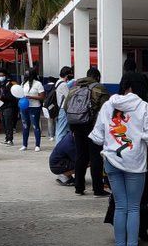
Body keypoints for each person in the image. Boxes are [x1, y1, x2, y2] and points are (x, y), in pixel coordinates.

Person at [89, 71, 148, 246]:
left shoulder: (108, 105)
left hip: (111, 162)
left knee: (120, 207)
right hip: (135, 164)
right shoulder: (144, 108)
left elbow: (96, 137)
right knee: (134, 208)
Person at [64, 67, 110, 197]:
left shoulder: (74, 88)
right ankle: (97, 189)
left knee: (81, 156)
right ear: (97, 78)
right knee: (95, 157)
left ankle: (79, 188)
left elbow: (66, 107)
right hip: (92, 126)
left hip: (76, 125)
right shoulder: (99, 88)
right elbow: (106, 109)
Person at [105, 148, 148, 241]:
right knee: (129, 210)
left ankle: (141, 230)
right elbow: (125, 204)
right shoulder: (124, 172)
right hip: (124, 208)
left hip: (137, 206)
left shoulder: (147, 173)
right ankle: (127, 233)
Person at [20, 67, 45, 152]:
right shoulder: (23, 83)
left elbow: (42, 96)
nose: (26, 75)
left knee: (35, 126)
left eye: (27, 74)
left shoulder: (38, 84)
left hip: (34, 107)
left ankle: (37, 145)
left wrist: (32, 97)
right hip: (24, 107)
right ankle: (24, 144)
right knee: (25, 126)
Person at [0, 70, 18, 146]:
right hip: (2, 106)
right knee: (4, 123)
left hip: (9, 106)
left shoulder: (11, 84)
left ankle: (10, 139)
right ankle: (6, 137)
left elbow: (13, 96)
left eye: (2, 75)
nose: (1, 77)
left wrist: (2, 97)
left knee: (8, 123)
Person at [54, 66, 74, 144]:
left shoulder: (58, 82)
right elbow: (68, 96)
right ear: (67, 75)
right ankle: (58, 148)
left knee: (59, 129)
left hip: (60, 108)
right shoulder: (64, 85)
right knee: (61, 130)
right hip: (63, 109)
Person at [43, 76, 57, 141]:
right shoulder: (55, 87)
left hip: (46, 105)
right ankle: (55, 134)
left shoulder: (44, 87)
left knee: (49, 120)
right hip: (54, 105)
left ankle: (51, 135)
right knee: (55, 119)